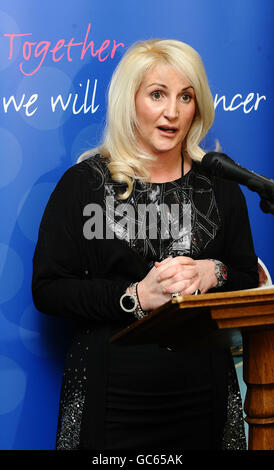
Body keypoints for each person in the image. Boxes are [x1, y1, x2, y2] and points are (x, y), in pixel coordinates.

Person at [32, 39, 258, 450]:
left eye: (185, 97)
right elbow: (48, 289)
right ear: (130, 101)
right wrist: (135, 296)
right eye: (158, 94)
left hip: (202, 396)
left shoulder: (222, 188)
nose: (173, 112)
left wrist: (214, 271)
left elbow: (245, 275)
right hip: (110, 397)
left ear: (198, 106)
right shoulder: (84, 185)